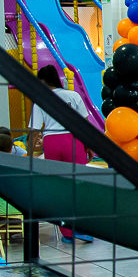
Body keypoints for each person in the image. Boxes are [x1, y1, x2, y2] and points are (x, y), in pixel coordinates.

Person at [30, 65, 92, 241]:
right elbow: (84, 124)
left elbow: (34, 131)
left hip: (52, 142)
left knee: (60, 187)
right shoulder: (73, 95)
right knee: (81, 184)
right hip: (73, 139)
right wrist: (88, 146)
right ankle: (85, 230)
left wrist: (29, 153)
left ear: (43, 81)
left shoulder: (40, 99)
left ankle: (67, 233)